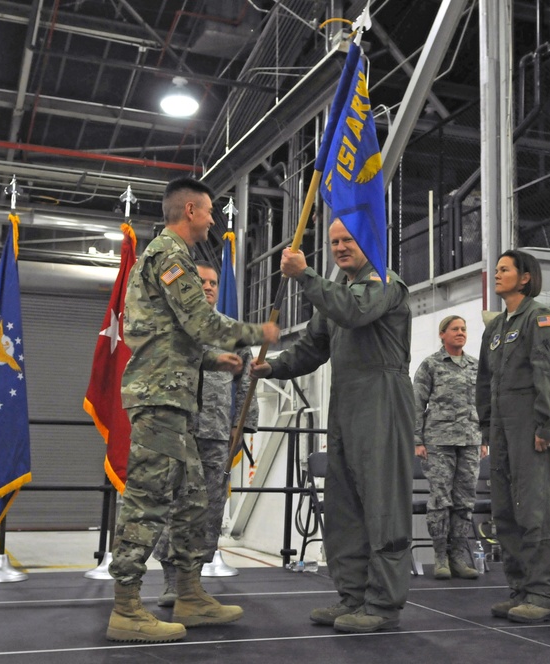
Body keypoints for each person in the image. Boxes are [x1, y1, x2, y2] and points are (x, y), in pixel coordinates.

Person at [106, 177, 280, 643]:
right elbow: (198, 320)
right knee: (148, 500)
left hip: (177, 394)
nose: (212, 220)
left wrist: (209, 358)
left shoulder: (171, 255)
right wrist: (254, 334)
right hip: (160, 396)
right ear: (189, 209)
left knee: (193, 501)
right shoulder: (169, 254)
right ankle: (126, 606)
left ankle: (189, 593)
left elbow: (166, 333)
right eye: (207, 212)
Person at [252, 219, 415, 634]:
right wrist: (271, 366)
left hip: (382, 397)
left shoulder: (383, 282)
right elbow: (311, 349)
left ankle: (381, 604)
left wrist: (304, 275)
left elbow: (354, 311)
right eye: (335, 242)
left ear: (368, 242)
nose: (341, 248)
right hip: (345, 401)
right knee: (344, 506)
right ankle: (353, 597)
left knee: (382, 505)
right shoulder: (337, 293)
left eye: (348, 240)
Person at [153, 260, 259, 607]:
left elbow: (246, 382)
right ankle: (172, 580)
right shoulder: (174, 326)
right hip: (176, 431)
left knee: (208, 507)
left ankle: (193, 582)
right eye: (202, 281)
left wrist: (239, 426)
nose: (210, 286)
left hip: (215, 434)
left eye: (214, 282)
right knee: (172, 503)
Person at [476, 249, 550, 624]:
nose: (497, 275)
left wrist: (545, 424)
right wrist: (486, 425)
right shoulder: (495, 328)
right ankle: (520, 590)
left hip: (531, 424)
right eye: (495, 270)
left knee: (535, 511)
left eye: (505, 270)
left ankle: (543, 594)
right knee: (505, 511)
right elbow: (484, 380)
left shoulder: (541, 318)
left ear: (525, 277)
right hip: (501, 428)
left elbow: (549, 373)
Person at [413, 315, 483, 580]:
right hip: (438, 441)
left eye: (464, 329)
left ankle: (459, 556)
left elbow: (484, 404)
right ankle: (440, 556)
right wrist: (417, 440)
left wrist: (484, 438)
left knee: (465, 501)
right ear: (442, 334)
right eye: (455, 329)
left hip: (470, 440)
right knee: (441, 500)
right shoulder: (430, 365)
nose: (460, 333)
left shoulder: (475, 366)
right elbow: (416, 405)